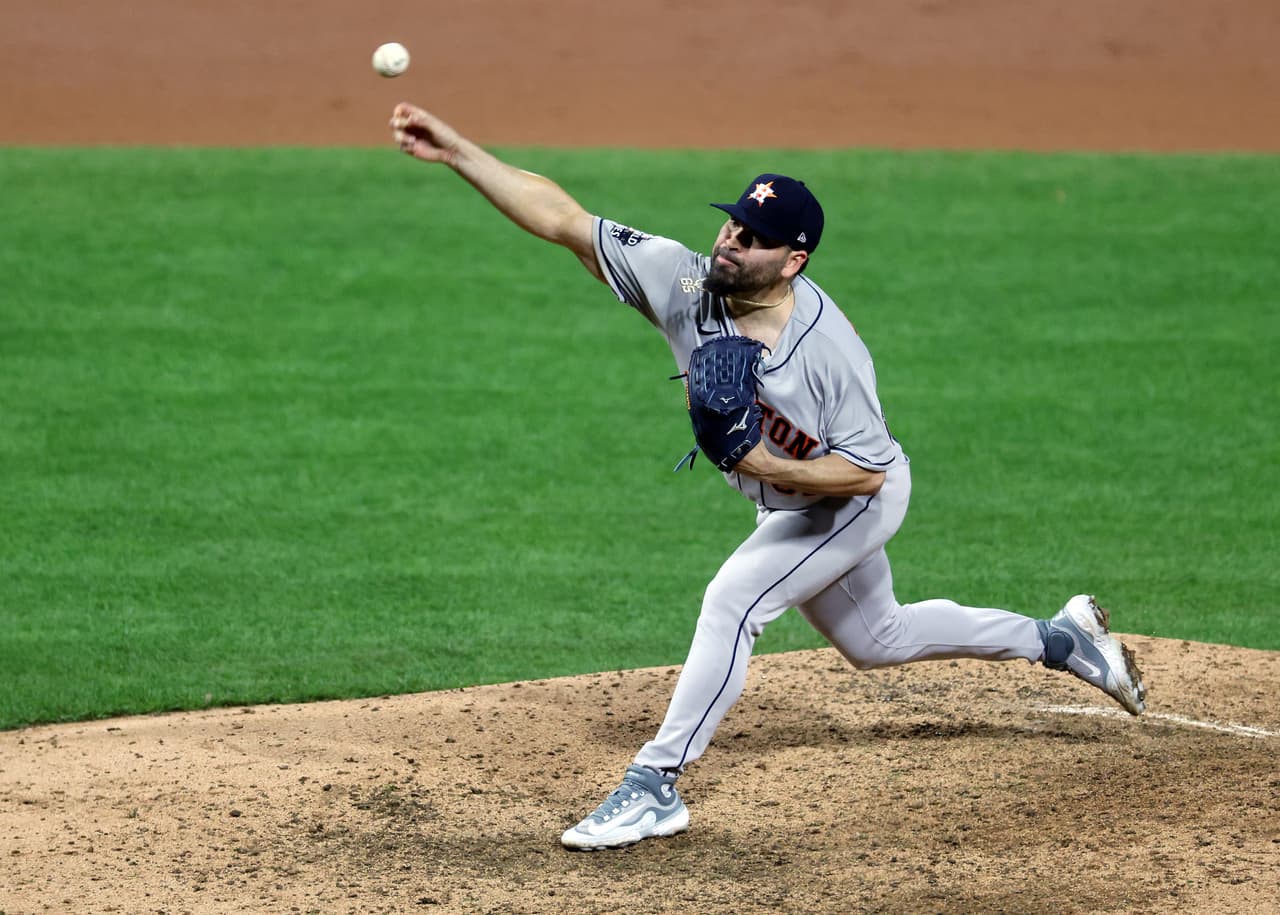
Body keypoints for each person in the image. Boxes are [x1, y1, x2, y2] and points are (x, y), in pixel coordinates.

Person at [388, 103, 1147, 852]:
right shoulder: (685, 283)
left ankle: (656, 783)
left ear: (793, 261)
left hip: (850, 498)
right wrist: (459, 151)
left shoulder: (829, 351)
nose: (731, 241)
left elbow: (868, 474)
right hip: (791, 498)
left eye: (754, 240)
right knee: (880, 638)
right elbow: (565, 220)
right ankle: (1060, 638)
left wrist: (762, 465)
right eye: (731, 224)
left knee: (733, 599)